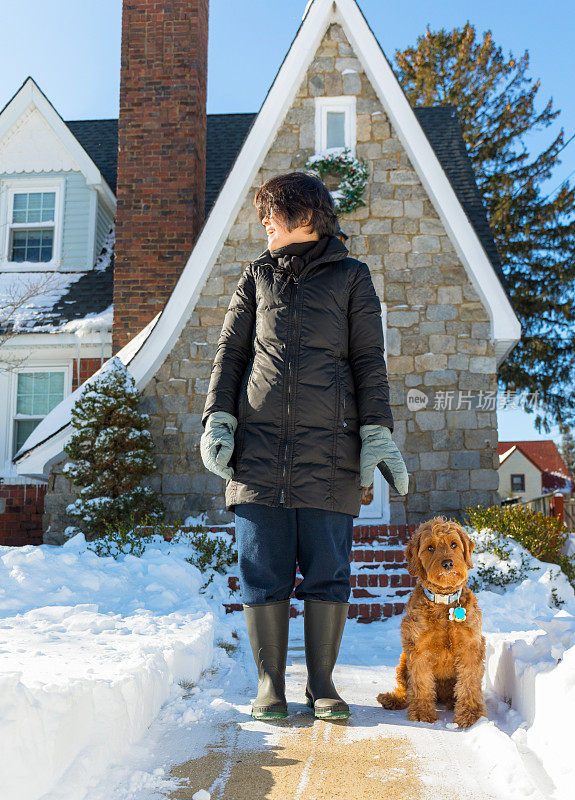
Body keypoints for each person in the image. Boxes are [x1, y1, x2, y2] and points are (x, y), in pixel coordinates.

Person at [200, 172, 408, 721]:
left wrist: (377, 432)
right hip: (258, 455)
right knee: (261, 570)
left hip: (330, 457)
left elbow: (369, 362)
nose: (264, 220)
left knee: (328, 572)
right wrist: (218, 419)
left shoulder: (352, 278)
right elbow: (230, 356)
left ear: (307, 215)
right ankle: (271, 685)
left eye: (273, 210)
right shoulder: (255, 277)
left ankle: (322, 685)